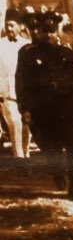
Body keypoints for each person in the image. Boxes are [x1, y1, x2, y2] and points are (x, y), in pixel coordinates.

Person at [15, 11, 73, 200]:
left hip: (68, 108)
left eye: (51, 31)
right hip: (43, 110)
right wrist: (25, 109)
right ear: (38, 32)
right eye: (44, 31)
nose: (48, 35)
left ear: (56, 31)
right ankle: (58, 173)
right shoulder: (27, 54)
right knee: (51, 148)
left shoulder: (66, 53)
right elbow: (21, 83)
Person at [0, 9, 31, 159]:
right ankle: (18, 157)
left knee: (26, 126)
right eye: (7, 25)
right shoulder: (0, 45)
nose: (9, 29)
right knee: (14, 123)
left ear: (20, 26)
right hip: (7, 91)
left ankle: (25, 152)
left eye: (12, 25)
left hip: (26, 91)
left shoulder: (28, 45)